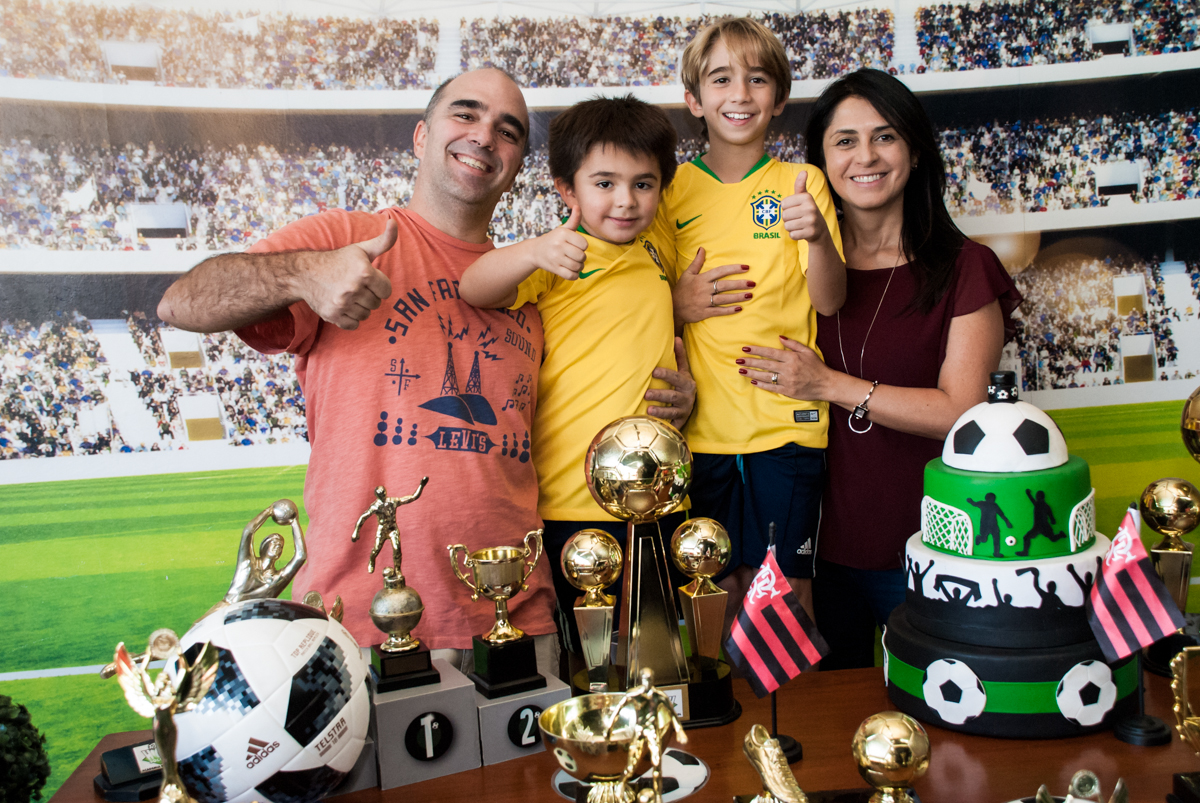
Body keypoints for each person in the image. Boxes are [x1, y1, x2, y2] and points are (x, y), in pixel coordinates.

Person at [157, 69, 561, 674]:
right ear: (421, 136)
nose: (484, 136)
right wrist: (303, 275)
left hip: (521, 622)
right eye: (466, 114)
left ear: (516, 164)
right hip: (360, 625)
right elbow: (182, 302)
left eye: (508, 131)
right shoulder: (344, 240)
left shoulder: (534, 276)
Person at [736, 68, 1021, 669]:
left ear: (914, 152)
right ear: (819, 162)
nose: (864, 156)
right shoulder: (791, 257)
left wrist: (828, 384)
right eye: (844, 141)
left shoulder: (965, 268)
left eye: (884, 137)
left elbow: (962, 416)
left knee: (931, 724)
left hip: (927, 550)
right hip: (811, 553)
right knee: (820, 726)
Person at [459, 95, 697, 656]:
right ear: (567, 190)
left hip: (659, 497)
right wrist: (534, 251)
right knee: (594, 656)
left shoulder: (656, 249)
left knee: (660, 652)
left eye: (644, 184)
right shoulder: (563, 255)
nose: (626, 200)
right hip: (574, 499)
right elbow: (474, 286)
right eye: (605, 183)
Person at [653, 17, 845, 624]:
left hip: (784, 427)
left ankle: (798, 720)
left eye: (757, 79)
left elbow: (833, 299)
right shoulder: (671, 192)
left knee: (787, 591)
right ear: (694, 100)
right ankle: (735, 718)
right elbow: (644, 296)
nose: (740, 94)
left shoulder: (800, 183)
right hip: (703, 433)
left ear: (779, 98)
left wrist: (817, 237)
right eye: (721, 79)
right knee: (718, 588)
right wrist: (677, 307)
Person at [351, 478, 429, 576]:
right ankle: (372, 559)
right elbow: (363, 517)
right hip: (382, 530)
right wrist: (356, 531)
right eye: (381, 494)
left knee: (397, 549)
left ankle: (397, 570)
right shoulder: (376, 506)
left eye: (384, 493)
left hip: (393, 529)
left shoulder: (392, 501)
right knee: (376, 549)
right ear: (377, 495)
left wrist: (421, 485)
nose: (383, 495)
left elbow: (412, 497)